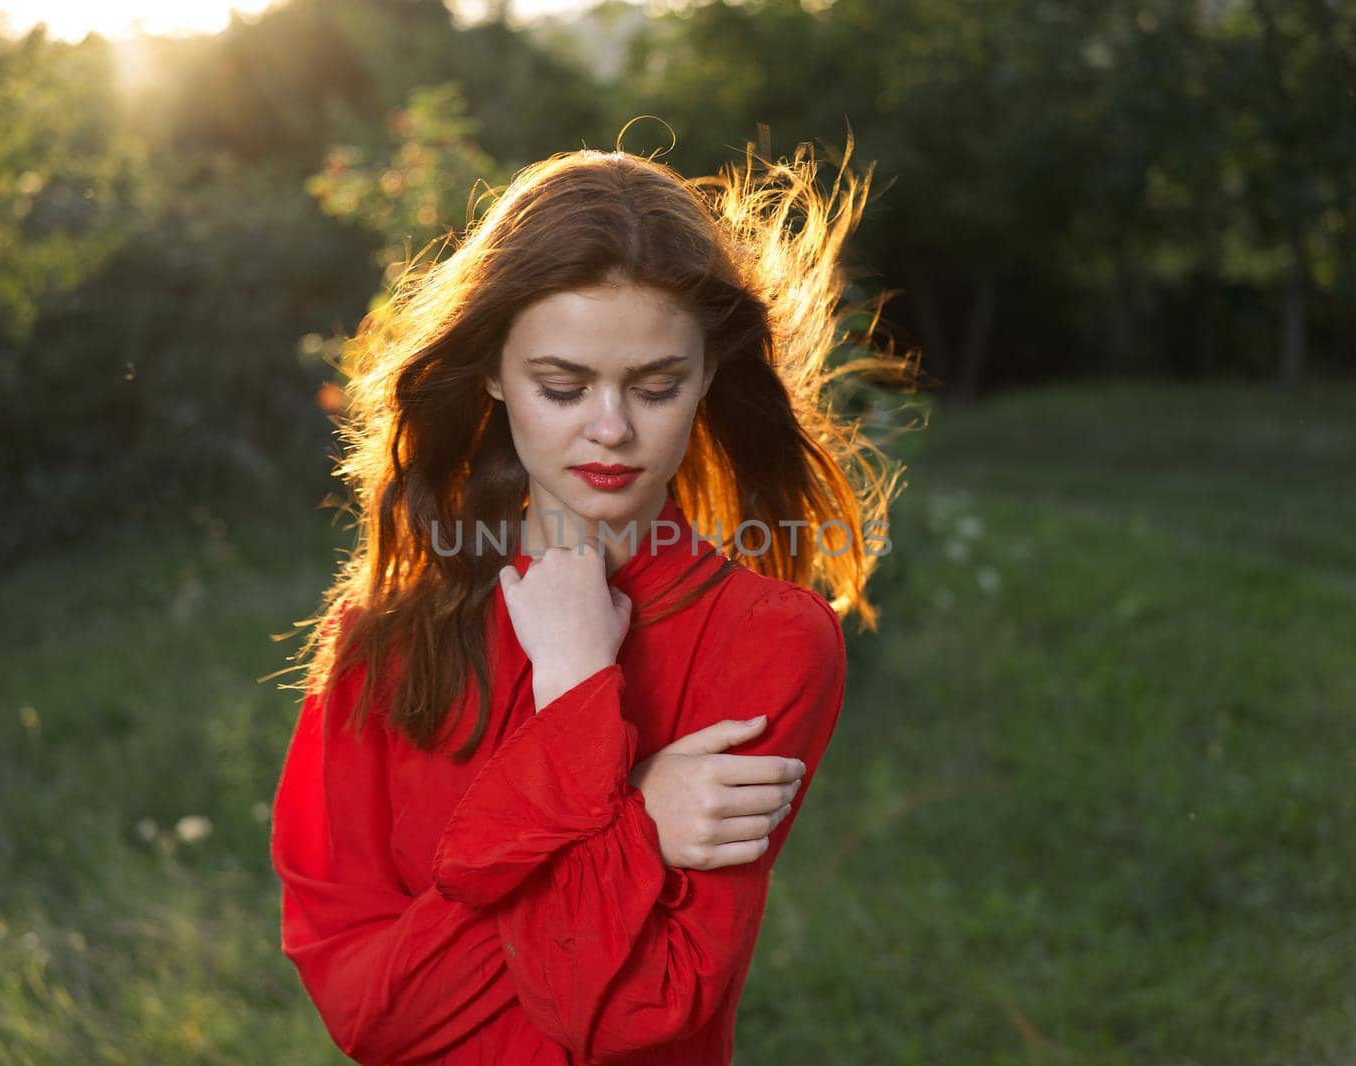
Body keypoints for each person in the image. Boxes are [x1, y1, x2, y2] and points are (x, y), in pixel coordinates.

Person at [268, 132, 914, 1064]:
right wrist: (638, 819)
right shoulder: (385, 638)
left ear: (706, 380)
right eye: (562, 387)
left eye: (655, 386)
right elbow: (372, 1015)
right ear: (493, 372)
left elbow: (636, 1011)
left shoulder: (769, 642)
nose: (609, 431)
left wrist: (576, 680)